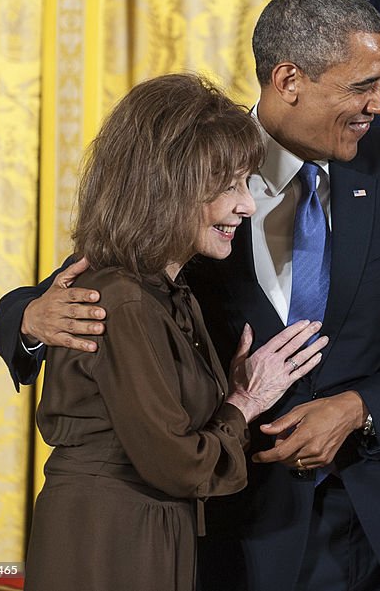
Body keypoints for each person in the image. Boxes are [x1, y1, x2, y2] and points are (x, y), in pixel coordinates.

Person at [0, 0, 380, 591]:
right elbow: (88, 281)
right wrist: (30, 320)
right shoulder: (196, 169)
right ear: (288, 79)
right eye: (361, 86)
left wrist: (357, 409)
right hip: (244, 528)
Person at [21, 73, 328, 591]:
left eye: (245, 184)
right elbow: (181, 465)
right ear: (168, 186)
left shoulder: (165, 293)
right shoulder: (122, 299)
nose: (247, 206)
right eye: (228, 186)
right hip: (111, 542)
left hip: (148, 532)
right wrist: (245, 403)